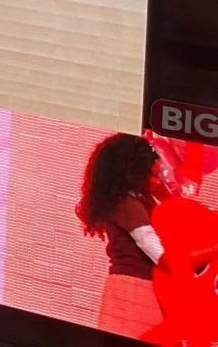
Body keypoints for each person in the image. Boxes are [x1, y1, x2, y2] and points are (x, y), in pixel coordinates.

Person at [79, 132, 170, 338]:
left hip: (137, 288)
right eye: (151, 172)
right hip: (135, 289)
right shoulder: (127, 205)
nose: (156, 177)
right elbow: (151, 245)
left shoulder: (135, 201)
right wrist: (183, 270)